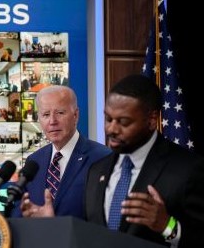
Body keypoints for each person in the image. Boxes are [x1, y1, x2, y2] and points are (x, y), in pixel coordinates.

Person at [22, 74, 204, 247]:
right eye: (108, 119)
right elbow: (91, 235)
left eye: (123, 121)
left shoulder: (188, 169)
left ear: (151, 120)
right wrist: (54, 226)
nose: (112, 129)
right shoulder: (99, 169)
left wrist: (167, 226)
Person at [10, 85, 111, 218]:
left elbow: (106, 217)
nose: (52, 121)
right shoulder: (34, 161)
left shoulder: (102, 158)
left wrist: (55, 223)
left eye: (60, 113)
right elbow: (18, 211)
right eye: (46, 115)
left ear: (75, 115)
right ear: (39, 119)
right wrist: (27, 215)